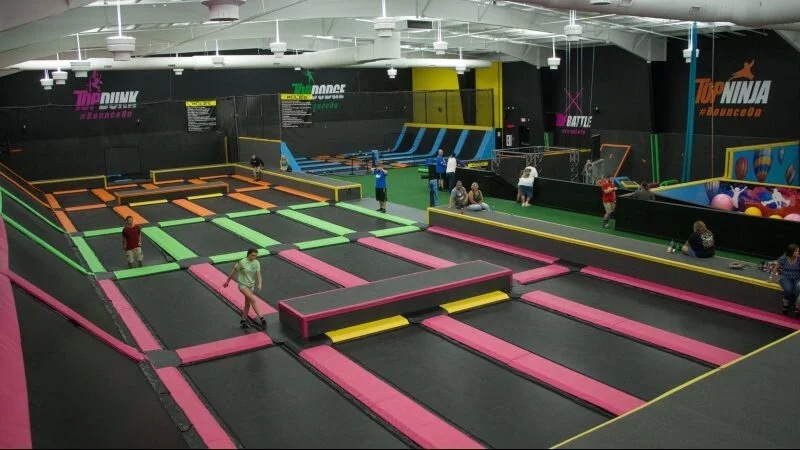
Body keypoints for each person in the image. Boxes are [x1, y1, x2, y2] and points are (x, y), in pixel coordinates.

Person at [223, 248, 267, 329]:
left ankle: (243, 321)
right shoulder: (242, 262)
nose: (254, 257)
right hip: (242, 285)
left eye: (256, 256)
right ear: (248, 254)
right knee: (253, 300)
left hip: (251, 286)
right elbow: (234, 271)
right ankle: (262, 318)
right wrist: (227, 281)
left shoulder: (256, 263)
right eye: (253, 255)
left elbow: (258, 274)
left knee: (247, 305)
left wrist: (260, 283)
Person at [769, 243, 800, 315]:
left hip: (797, 278)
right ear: (791, 252)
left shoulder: (799, 259)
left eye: (798, 251)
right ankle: (785, 304)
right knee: (788, 289)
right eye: (796, 251)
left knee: (797, 289)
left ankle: (797, 306)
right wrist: (771, 277)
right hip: (785, 277)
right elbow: (776, 267)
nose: (798, 252)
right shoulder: (783, 258)